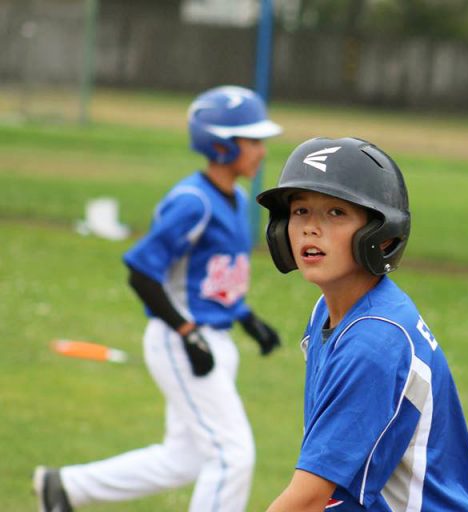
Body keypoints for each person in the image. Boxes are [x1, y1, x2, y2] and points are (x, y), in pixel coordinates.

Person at [33, 85, 283, 511]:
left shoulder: (237, 199)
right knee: (232, 455)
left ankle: (66, 487)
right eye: (252, 140)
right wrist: (187, 333)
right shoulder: (193, 201)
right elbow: (142, 271)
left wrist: (245, 317)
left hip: (210, 337)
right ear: (221, 145)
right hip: (181, 340)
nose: (261, 151)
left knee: (185, 459)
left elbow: (210, 278)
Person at [257, 137, 468, 511]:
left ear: (381, 235)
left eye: (335, 213)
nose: (311, 229)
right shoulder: (332, 312)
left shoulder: (375, 340)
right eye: (300, 211)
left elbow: (307, 500)